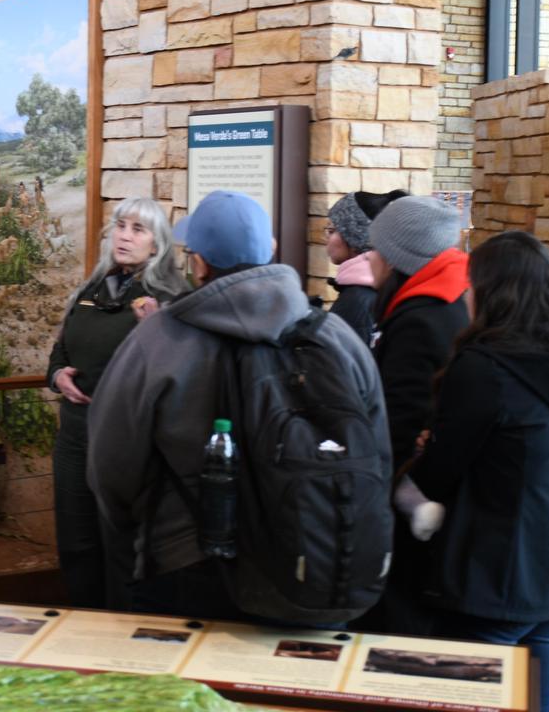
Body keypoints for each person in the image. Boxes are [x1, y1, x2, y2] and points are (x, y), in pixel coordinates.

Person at [88, 191, 387, 620]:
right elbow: (376, 450)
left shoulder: (157, 340)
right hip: (312, 563)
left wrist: (134, 537)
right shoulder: (335, 337)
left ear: (199, 264)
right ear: (272, 251)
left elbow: (110, 465)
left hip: (184, 565)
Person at [413, 231, 549, 712]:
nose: (465, 294)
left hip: (498, 570)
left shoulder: (484, 367)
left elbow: (441, 473)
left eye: (471, 282)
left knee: (469, 698)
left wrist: (428, 450)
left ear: (492, 289)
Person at [46, 197, 186, 608]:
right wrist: (57, 375)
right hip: (75, 434)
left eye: (138, 229)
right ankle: (81, 631)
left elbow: (183, 370)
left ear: (157, 244)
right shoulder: (90, 288)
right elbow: (60, 350)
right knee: (75, 543)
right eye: (121, 226)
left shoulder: (170, 297)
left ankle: (121, 640)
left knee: (123, 547)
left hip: (129, 440)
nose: (124, 236)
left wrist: (157, 328)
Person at [360, 195, 469, 635]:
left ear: (398, 258)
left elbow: (400, 420)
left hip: (412, 510)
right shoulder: (442, 300)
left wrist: (376, 491)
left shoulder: (420, 320)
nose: (370, 257)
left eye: (377, 249)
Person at [324, 189, 408, 346]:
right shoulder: (377, 287)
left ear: (355, 239)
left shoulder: (358, 300)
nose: (326, 238)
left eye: (332, 230)